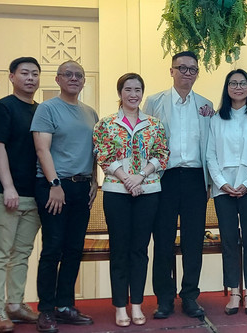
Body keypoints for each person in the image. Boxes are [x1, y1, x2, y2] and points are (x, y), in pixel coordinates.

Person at [93, 73, 169, 327]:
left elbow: (162, 154)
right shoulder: (106, 124)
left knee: (140, 249)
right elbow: (103, 154)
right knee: (119, 249)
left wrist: (140, 176)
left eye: (138, 89)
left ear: (142, 93)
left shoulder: (154, 124)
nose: (133, 94)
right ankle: (119, 306)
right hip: (116, 192)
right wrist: (127, 179)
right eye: (128, 89)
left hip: (148, 192)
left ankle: (136, 303)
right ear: (120, 93)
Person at [143, 51, 214, 320]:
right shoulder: (154, 102)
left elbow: (210, 145)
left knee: (193, 241)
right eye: (182, 68)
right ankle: (164, 298)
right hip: (164, 178)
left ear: (197, 74)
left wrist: (209, 181)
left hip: (196, 178)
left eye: (192, 69)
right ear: (171, 71)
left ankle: (190, 296)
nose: (187, 73)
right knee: (162, 240)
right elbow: (145, 140)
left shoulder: (206, 105)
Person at [31, 61, 99, 332]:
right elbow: (42, 149)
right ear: (58, 79)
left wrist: (94, 180)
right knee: (53, 248)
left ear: (84, 81)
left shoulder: (90, 113)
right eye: (68, 74)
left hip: (82, 187)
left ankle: (65, 306)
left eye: (78, 75)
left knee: (74, 249)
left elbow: (94, 151)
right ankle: (46, 310)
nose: (74, 78)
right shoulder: (47, 108)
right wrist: (55, 183)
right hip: (54, 188)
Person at [0, 57, 42, 332]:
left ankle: (15, 304)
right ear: (11, 77)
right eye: (24, 73)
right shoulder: (3, 108)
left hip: (34, 194)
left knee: (22, 253)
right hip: (4, 192)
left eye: (35, 74)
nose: (30, 78)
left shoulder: (40, 111)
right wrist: (9, 187)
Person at [207, 69, 247, 317]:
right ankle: (234, 292)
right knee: (229, 241)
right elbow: (210, 155)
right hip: (223, 189)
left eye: (243, 83)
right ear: (227, 88)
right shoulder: (216, 119)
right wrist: (221, 183)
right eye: (233, 83)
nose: (238, 87)